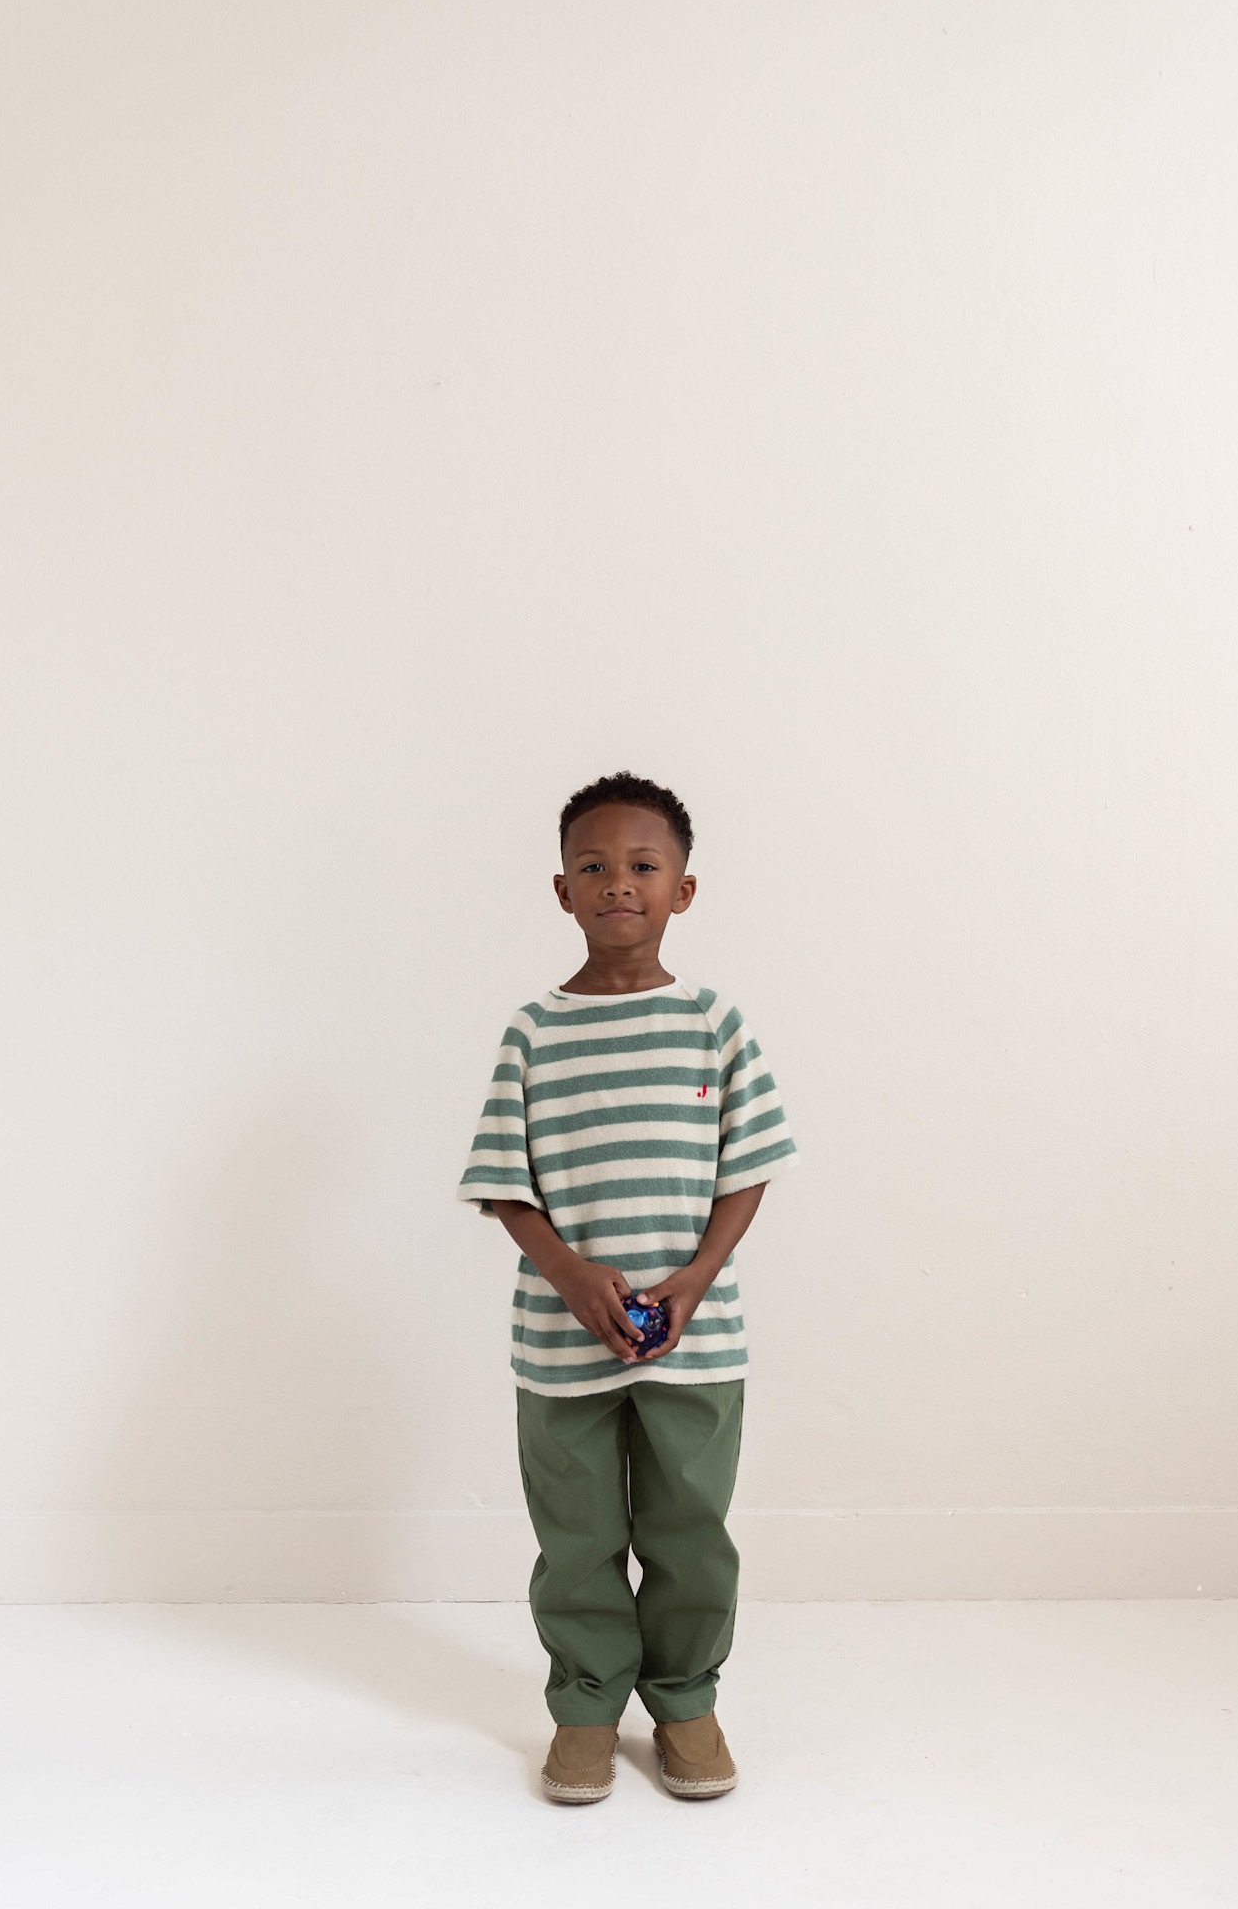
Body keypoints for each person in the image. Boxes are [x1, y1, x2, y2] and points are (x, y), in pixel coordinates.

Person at [458, 771, 798, 1804]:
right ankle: (586, 1707)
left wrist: (695, 1278)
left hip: (697, 1340)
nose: (618, 882)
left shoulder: (712, 1024)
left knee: (689, 1530)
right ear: (561, 890)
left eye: (642, 866)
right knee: (578, 1539)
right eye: (593, 865)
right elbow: (504, 1183)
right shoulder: (532, 1031)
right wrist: (567, 1273)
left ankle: (686, 1701)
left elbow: (748, 1166)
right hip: (561, 1344)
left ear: (681, 890)